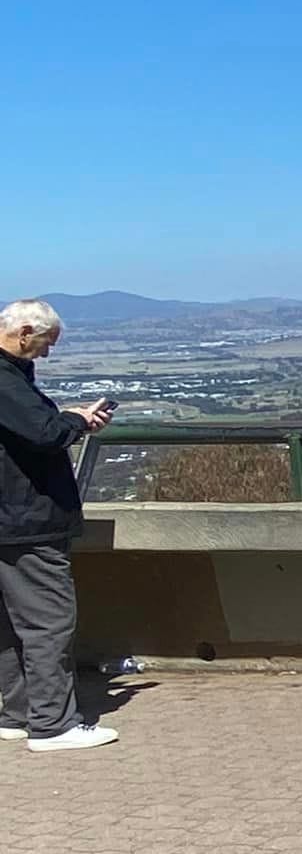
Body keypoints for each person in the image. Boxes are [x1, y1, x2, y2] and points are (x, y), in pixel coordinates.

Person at [0, 298, 118, 752]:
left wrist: (65, 417)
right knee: (49, 621)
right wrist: (74, 421)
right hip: (25, 519)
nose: (47, 354)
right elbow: (43, 435)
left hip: (9, 520)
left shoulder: (12, 379)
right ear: (25, 332)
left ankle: (20, 714)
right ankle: (53, 724)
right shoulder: (5, 379)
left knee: (11, 625)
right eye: (46, 344)